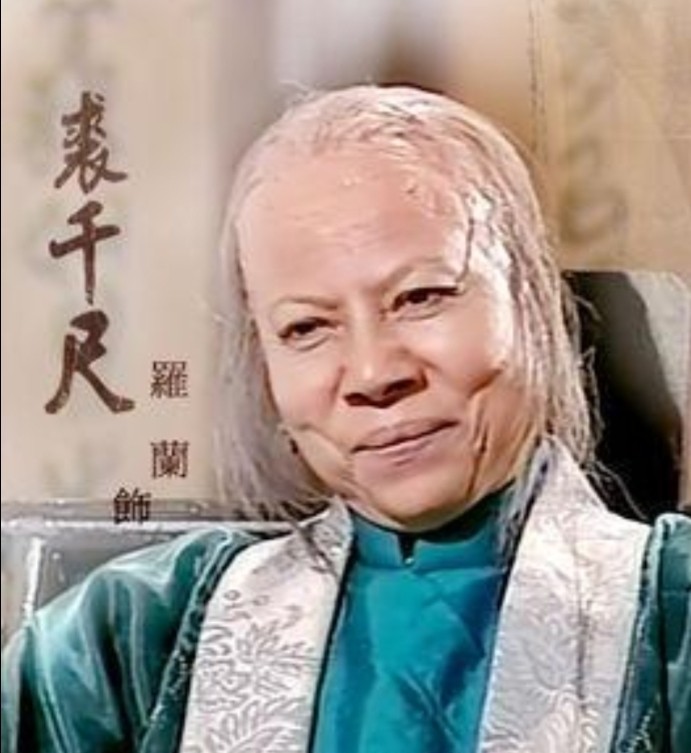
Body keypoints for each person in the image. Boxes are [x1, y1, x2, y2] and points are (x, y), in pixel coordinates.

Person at [2, 85, 689, 753]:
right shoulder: (125, 643)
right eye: (305, 328)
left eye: (421, 297)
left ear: (528, 299)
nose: (372, 373)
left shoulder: (671, 616)